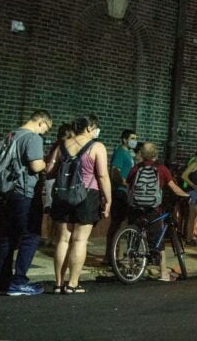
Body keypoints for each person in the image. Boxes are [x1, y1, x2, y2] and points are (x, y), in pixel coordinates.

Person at [51, 115, 112, 294]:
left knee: (63, 240)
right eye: (95, 128)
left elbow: (50, 170)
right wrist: (108, 199)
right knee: (80, 240)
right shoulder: (97, 146)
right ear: (89, 128)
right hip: (87, 195)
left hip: (62, 195)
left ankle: (58, 283)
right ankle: (73, 284)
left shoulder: (62, 145)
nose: (96, 131)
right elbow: (102, 175)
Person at [0, 110, 53, 296]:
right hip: (24, 193)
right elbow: (36, 165)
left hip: (7, 192)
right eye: (46, 129)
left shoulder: (11, 135)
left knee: (7, 237)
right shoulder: (33, 138)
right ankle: (19, 281)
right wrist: (47, 163)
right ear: (41, 122)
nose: (45, 133)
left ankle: (3, 281)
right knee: (31, 236)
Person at [126, 142, 190, 280]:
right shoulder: (161, 169)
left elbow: (128, 185)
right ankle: (164, 273)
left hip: (136, 207)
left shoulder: (136, 168)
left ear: (142, 154)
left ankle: (131, 269)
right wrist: (186, 195)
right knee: (157, 240)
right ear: (155, 153)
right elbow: (173, 187)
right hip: (153, 208)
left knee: (134, 237)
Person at [104, 128, 137, 263]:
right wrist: (125, 183)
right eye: (132, 138)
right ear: (125, 139)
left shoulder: (128, 154)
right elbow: (115, 171)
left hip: (126, 192)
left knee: (121, 223)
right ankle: (110, 256)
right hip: (120, 192)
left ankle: (114, 254)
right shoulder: (120, 152)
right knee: (116, 223)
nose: (135, 141)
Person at [44, 122, 74, 248]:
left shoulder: (60, 145)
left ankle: (52, 237)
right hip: (54, 180)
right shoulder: (61, 146)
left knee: (53, 209)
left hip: (55, 180)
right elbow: (51, 165)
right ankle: (51, 237)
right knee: (53, 209)